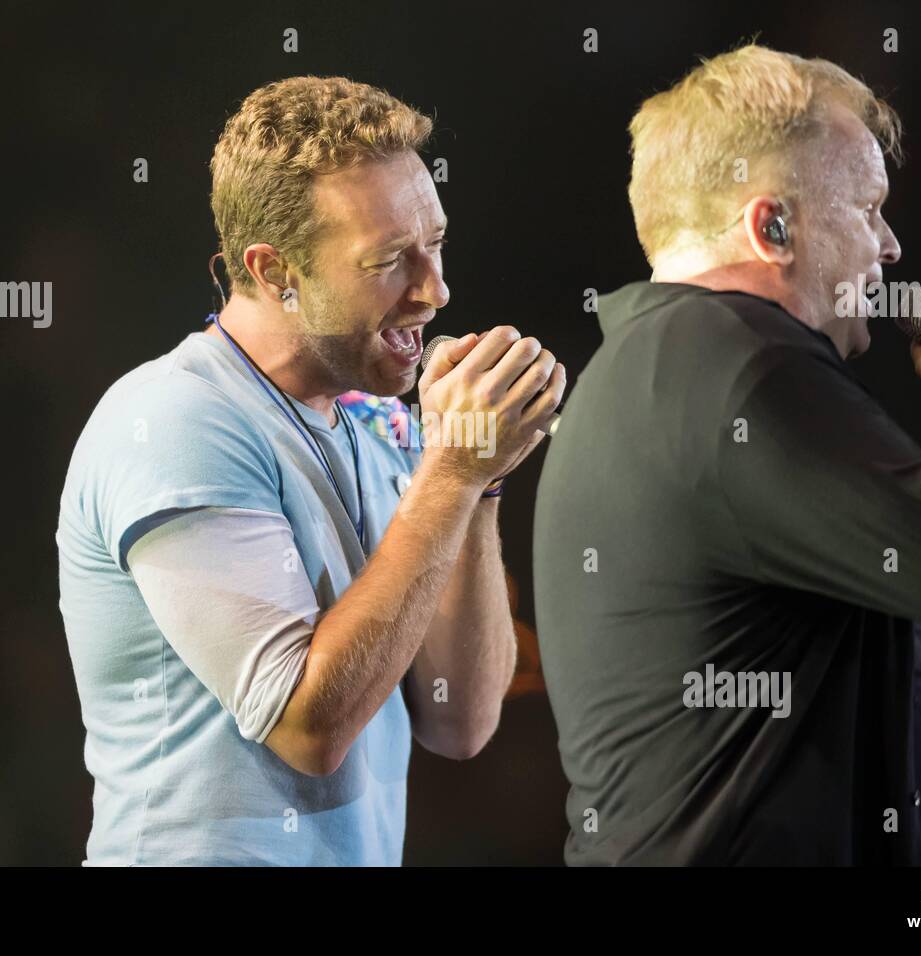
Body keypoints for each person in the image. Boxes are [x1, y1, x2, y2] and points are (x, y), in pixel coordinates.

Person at [532, 44, 921, 865]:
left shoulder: (681, 361)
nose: (892, 245)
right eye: (869, 208)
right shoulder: (736, 364)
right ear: (773, 226)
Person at [57, 76, 564, 865]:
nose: (435, 289)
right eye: (391, 259)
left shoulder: (376, 418)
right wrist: (453, 473)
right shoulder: (174, 422)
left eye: (436, 243)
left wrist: (481, 480)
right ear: (273, 271)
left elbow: (461, 721)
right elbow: (308, 728)